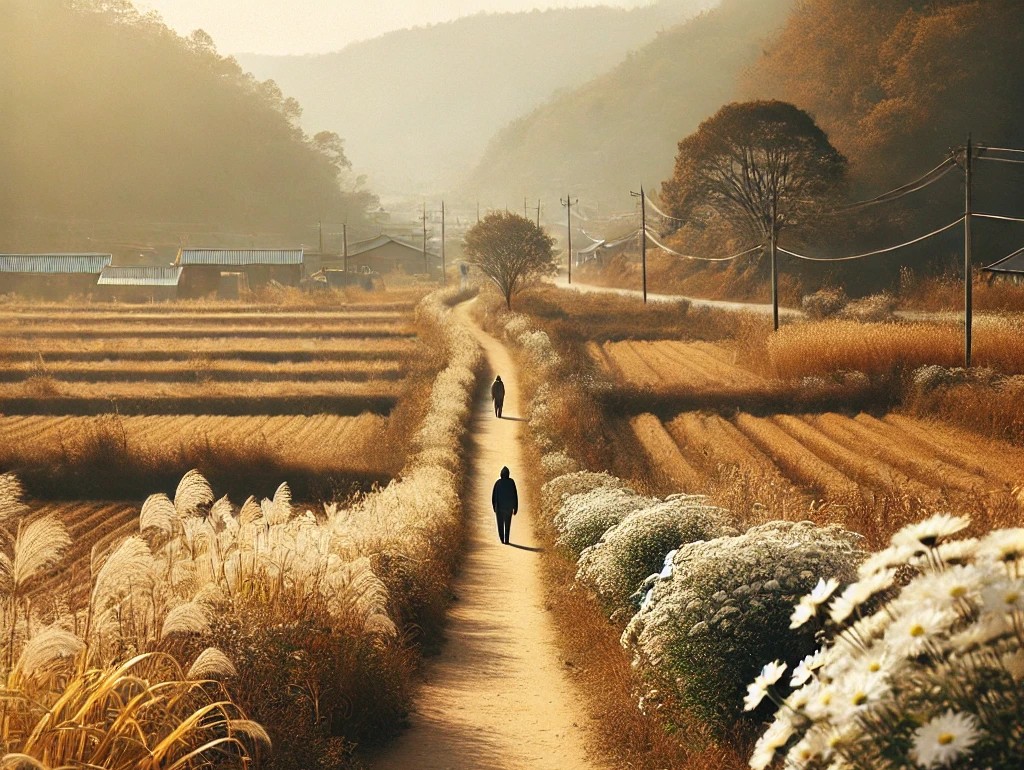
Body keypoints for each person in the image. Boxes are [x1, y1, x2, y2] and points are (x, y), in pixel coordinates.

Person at [491, 466, 518, 544]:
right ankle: (507, 540)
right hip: (508, 508)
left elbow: (493, 496)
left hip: (499, 508)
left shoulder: (498, 483)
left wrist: (494, 507)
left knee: (500, 524)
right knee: (507, 524)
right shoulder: (511, 482)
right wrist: (515, 508)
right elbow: (515, 496)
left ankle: (502, 539)